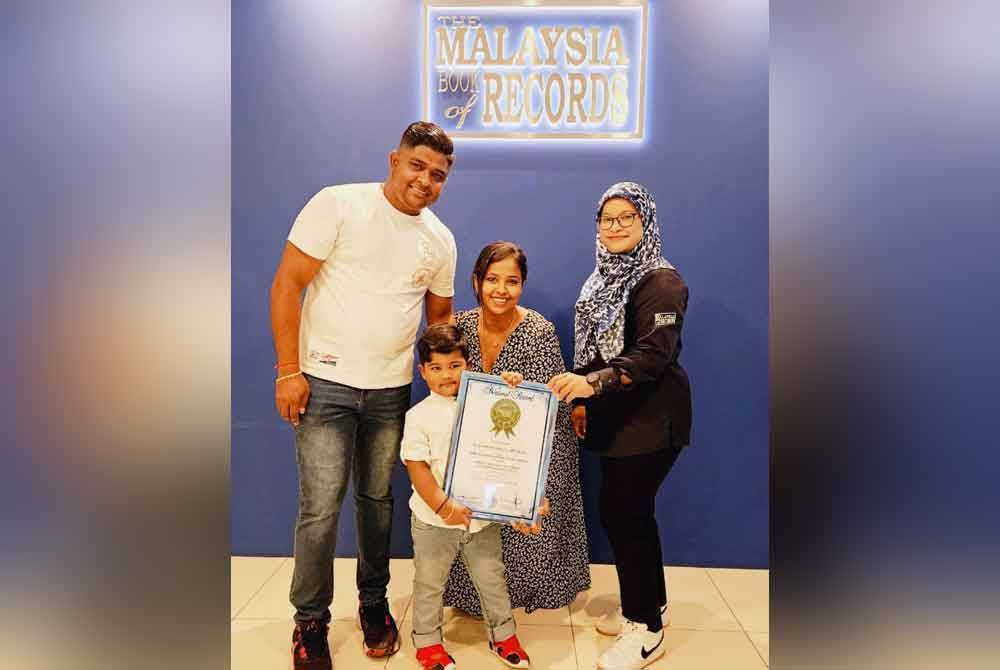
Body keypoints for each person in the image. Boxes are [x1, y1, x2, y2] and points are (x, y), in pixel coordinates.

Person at [269, 121, 458, 670]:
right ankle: (310, 621)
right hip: (323, 383)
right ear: (394, 160)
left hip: (391, 390)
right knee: (320, 508)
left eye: (438, 175)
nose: (425, 180)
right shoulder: (338, 204)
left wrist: (449, 385)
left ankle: (374, 605)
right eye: (417, 165)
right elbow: (287, 285)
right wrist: (288, 371)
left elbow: (440, 321)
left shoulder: (440, 240)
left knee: (377, 504)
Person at [548, 182, 692, 670]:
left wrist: (592, 385)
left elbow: (652, 356)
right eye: (606, 218)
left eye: (627, 217)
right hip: (616, 416)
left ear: (645, 222)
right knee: (633, 514)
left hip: (652, 419)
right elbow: (592, 350)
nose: (615, 227)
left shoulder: (661, 282)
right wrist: (584, 400)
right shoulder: (602, 279)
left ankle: (645, 631)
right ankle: (655, 606)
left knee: (624, 515)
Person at [443, 241, 591, 615]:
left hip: (532, 444)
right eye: (492, 279)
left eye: (512, 281)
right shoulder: (458, 327)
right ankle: (473, 595)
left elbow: (551, 405)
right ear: (476, 281)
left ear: (522, 285)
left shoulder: (538, 331)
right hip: (478, 445)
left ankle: (527, 590)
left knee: (528, 502)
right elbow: (444, 386)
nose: (501, 289)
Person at [402, 324, 537, 670]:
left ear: (469, 366)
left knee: (492, 579)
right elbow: (416, 467)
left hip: (481, 520)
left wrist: (509, 388)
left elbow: (512, 429)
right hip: (434, 522)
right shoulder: (418, 416)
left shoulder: (483, 404)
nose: (447, 375)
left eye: (455, 366)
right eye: (436, 367)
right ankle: (428, 643)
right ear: (423, 372)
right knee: (429, 583)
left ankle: (503, 635)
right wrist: (442, 505)